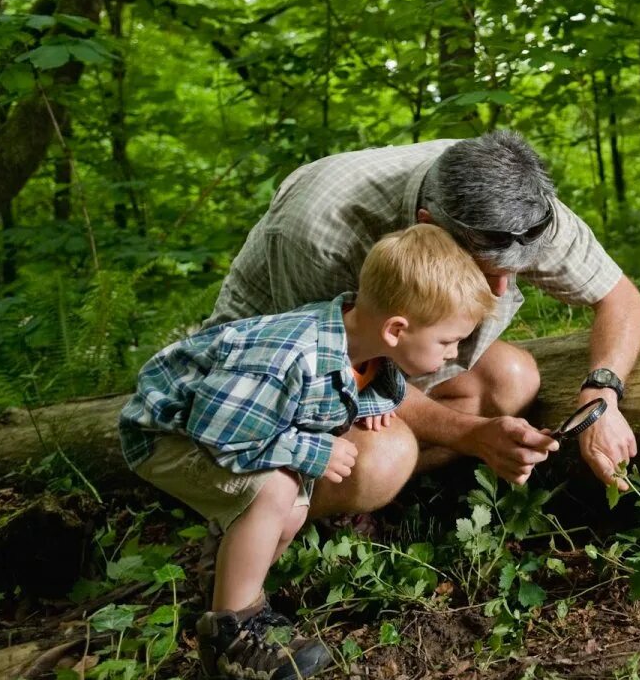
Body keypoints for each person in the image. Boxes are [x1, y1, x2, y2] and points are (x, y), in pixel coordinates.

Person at [120, 225, 497, 680]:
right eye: (447, 341)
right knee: (275, 489)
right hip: (167, 435)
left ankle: (235, 596)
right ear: (397, 329)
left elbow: (365, 386)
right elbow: (217, 430)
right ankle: (229, 639)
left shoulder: (369, 350)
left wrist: (372, 405)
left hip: (228, 428)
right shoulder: (290, 354)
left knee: (294, 508)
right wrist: (312, 451)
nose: (455, 354)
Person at [205, 130, 640, 511]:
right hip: (268, 389)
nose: (500, 290)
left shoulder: (518, 202)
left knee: (512, 379)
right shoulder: (325, 230)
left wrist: (602, 395)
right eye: (485, 270)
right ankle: (258, 515)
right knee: (380, 459)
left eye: (514, 271)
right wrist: (473, 435)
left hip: (383, 359)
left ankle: (386, 497)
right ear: (428, 224)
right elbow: (328, 373)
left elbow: (621, 300)